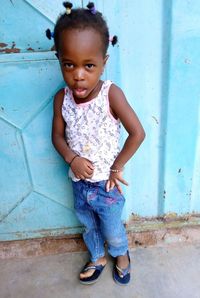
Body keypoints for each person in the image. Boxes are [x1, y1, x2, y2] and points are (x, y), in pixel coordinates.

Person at [47, 1, 145, 286]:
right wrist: (71, 158)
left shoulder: (110, 95)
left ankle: (122, 255)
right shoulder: (60, 99)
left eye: (89, 65)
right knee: (88, 225)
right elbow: (57, 136)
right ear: (59, 60)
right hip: (79, 182)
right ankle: (98, 257)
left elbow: (137, 133)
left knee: (112, 228)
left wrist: (117, 168)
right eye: (69, 64)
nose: (78, 74)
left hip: (107, 186)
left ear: (104, 61)